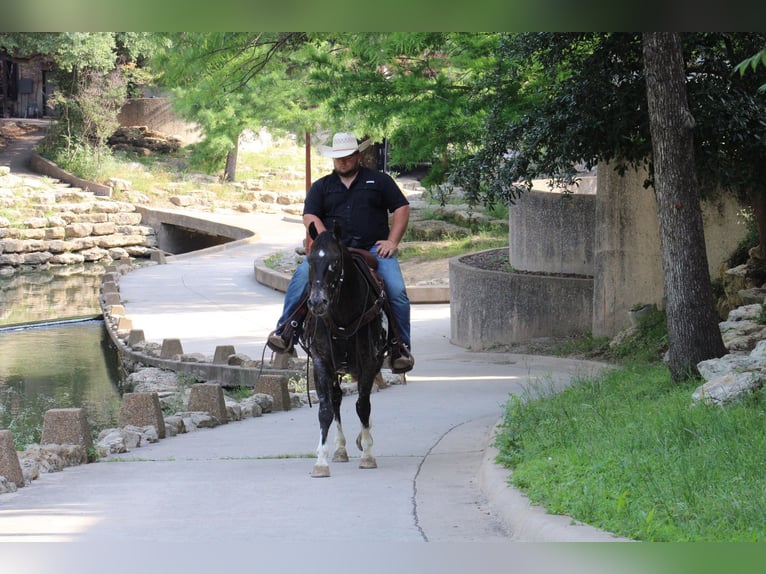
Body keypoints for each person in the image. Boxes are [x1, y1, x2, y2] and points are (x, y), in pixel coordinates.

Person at [266, 132, 415, 374]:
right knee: (301, 278)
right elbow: (310, 215)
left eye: (347, 156)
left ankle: (400, 347)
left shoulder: (379, 181)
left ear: (357, 156)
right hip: (333, 253)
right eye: (338, 158)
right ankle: (287, 330)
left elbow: (402, 207)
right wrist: (326, 240)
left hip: (372, 250)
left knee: (397, 292)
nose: (343, 162)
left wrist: (392, 241)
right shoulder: (322, 186)